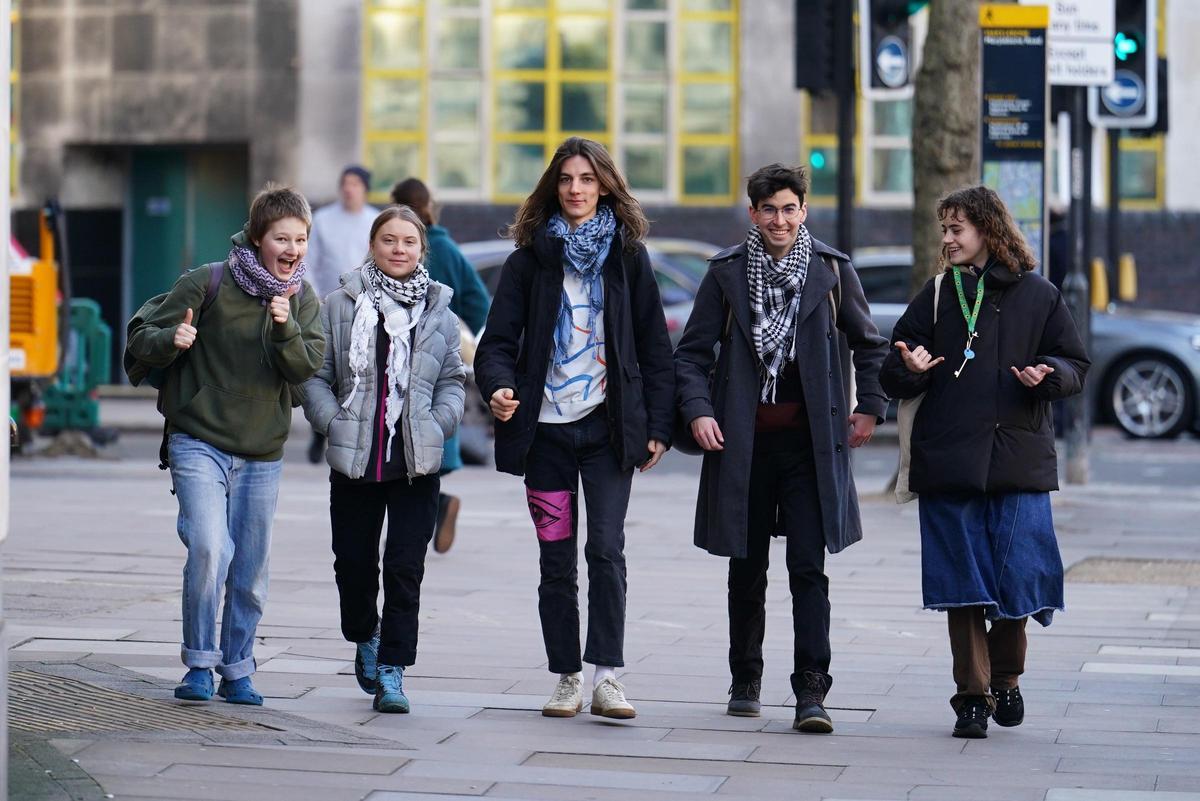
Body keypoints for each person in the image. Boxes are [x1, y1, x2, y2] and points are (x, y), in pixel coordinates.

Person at [673, 163, 888, 734]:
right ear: (753, 214)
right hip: (742, 444)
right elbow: (691, 357)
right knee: (745, 568)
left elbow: (870, 347)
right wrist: (697, 412)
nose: (779, 220)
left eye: (789, 209)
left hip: (810, 447)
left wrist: (868, 405)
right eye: (768, 210)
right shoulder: (725, 274)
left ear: (803, 211)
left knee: (807, 569)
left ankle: (811, 692)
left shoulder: (832, 271)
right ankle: (745, 679)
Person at [473, 137, 675, 720]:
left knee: (606, 551)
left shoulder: (628, 259)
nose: (576, 188)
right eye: (566, 178)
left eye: (587, 178)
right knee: (555, 560)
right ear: (553, 187)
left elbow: (655, 349)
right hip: (547, 438)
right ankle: (566, 677)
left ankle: (607, 677)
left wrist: (658, 426)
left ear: (604, 185)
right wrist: (499, 388)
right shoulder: (528, 262)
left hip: (608, 434)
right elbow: (497, 346)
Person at [879, 185, 1089, 739]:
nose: (946, 239)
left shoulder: (1039, 295)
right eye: (943, 229)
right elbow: (893, 367)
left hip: (1018, 458)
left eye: (956, 229)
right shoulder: (935, 295)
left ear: (988, 230)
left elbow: (1074, 363)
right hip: (949, 458)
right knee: (963, 584)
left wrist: (1049, 374)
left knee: (1019, 574)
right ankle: (972, 696)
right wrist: (911, 367)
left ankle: (1007, 678)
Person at [126, 184, 325, 705]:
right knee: (211, 549)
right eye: (282, 238)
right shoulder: (208, 281)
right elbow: (141, 337)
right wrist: (171, 341)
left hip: (262, 452)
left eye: (301, 239)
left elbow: (305, 368)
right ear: (258, 237)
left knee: (251, 570)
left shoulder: (303, 299)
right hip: (199, 440)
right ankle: (198, 665)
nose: (293, 249)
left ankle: (237, 669)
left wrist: (284, 327)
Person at [301, 205, 466, 713]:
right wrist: (333, 422)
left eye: (408, 242)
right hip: (355, 459)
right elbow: (314, 375)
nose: (399, 249)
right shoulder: (338, 304)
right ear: (372, 245)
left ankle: (392, 670)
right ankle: (364, 634)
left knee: (404, 568)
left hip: (415, 463)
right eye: (389, 240)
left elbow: (453, 380)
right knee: (353, 564)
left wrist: (439, 424)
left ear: (422, 250)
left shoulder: (439, 310)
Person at [390, 177, 491, 554]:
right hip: (439, 361)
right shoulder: (448, 248)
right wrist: (459, 334)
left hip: (403, 355)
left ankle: (429, 510)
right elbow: (479, 302)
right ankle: (433, 507)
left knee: (402, 439)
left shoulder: (399, 247)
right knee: (427, 437)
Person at [305, 165, 380, 464]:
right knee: (326, 368)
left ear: (364, 188)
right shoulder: (322, 220)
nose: (349, 189)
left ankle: (348, 430)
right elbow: (309, 260)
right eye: (344, 183)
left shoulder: (374, 220)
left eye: (355, 184)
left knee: (355, 368)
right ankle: (318, 431)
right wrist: (313, 297)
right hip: (326, 303)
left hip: (365, 307)